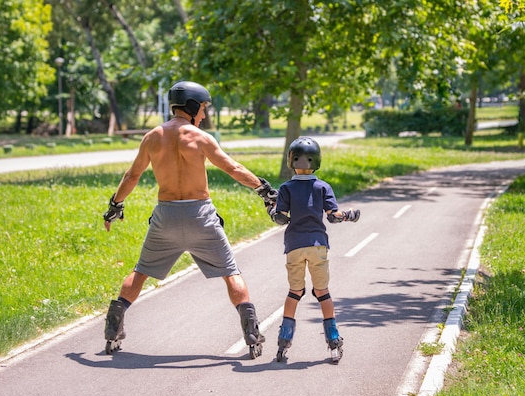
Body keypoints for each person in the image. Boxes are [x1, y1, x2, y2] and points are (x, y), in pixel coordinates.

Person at [102, 81, 277, 358]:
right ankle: (252, 333)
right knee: (231, 273)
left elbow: (131, 176)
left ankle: (112, 330)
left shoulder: (152, 137)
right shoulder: (200, 138)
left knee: (141, 271)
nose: (204, 115)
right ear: (194, 106)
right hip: (200, 216)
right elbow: (232, 168)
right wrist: (264, 190)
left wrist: (115, 205)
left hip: (166, 216)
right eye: (204, 108)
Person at [268, 136, 360, 363]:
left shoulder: (286, 188)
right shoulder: (322, 187)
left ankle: (283, 342)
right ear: (316, 161)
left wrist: (271, 209)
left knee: (295, 292)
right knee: (322, 292)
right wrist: (349, 215)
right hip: (318, 245)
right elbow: (334, 217)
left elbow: (280, 218)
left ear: (291, 160)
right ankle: (333, 341)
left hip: (294, 247)